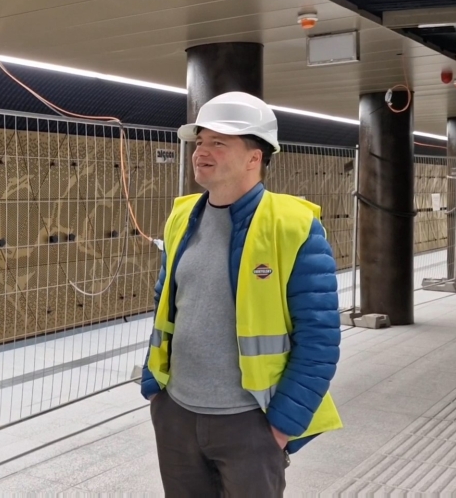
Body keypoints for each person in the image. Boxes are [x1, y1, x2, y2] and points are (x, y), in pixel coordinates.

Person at [140, 91, 342, 496]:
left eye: (219, 142)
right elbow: (168, 305)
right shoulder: (182, 217)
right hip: (177, 412)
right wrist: (154, 387)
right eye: (200, 141)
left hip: (250, 419)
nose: (202, 151)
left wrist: (282, 425)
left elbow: (319, 335)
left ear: (255, 157)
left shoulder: (293, 225)